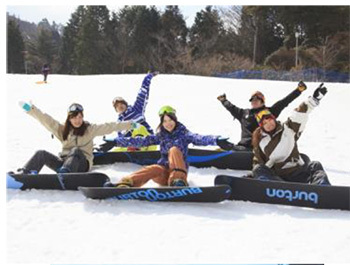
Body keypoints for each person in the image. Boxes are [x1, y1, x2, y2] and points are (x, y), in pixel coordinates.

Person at [102, 105, 231, 187]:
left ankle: (178, 181)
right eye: (165, 121)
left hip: (180, 174)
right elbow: (141, 141)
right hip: (164, 175)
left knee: (174, 150)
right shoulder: (161, 135)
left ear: (175, 120)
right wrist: (116, 142)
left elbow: (200, 138)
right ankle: (126, 183)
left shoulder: (184, 134)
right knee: (154, 168)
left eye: (170, 120)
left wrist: (217, 140)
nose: (168, 124)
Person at [14, 101, 134, 174]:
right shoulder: (63, 130)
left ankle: (66, 173)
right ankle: (26, 172)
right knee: (41, 153)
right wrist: (31, 109)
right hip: (64, 163)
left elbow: (110, 126)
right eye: (74, 117)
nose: (77, 120)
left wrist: (130, 124)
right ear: (69, 119)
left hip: (82, 165)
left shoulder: (90, 129)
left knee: (76, 150)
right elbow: (46, 120)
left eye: (80, 117)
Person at [251, 83, 331, 185]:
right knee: (258, 168)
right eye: (264, 123)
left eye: (269, 120)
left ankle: (322, 189)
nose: (269, 124)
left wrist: (314, 99)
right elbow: (258, 162)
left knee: (315, 165)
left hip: (296, 172)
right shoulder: (260, 140)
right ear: (261, 126)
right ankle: (270, 187)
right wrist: (252, 177)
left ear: (274, 119)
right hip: (278, 178)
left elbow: (299, 114)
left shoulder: (288, 128)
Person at [216, 81, 307, 151]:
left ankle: (233, 149)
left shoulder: (269, 112)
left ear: (262, 101)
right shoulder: (244, 113)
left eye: (256, 99)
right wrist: (224, 100)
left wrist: (298, 90)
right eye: (252, 100)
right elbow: (231, 107)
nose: (254, 101)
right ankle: (232, 150)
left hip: (260, 149)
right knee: (221, 142)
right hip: (242, 147)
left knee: (230, 146)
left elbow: (285, 101)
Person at [97, 71, 158, 152]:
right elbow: (120, 139)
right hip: (130, 146)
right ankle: (101, 155)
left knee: (137, 126)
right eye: (117, 106)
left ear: (125, 104)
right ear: (116, 110)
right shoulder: (119, 122)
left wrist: (148, 77)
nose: (120, 106)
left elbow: (143, 92)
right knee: (117, 146)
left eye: (121, 104)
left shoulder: (136, 109)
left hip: (148, 143)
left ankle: (136, 148)